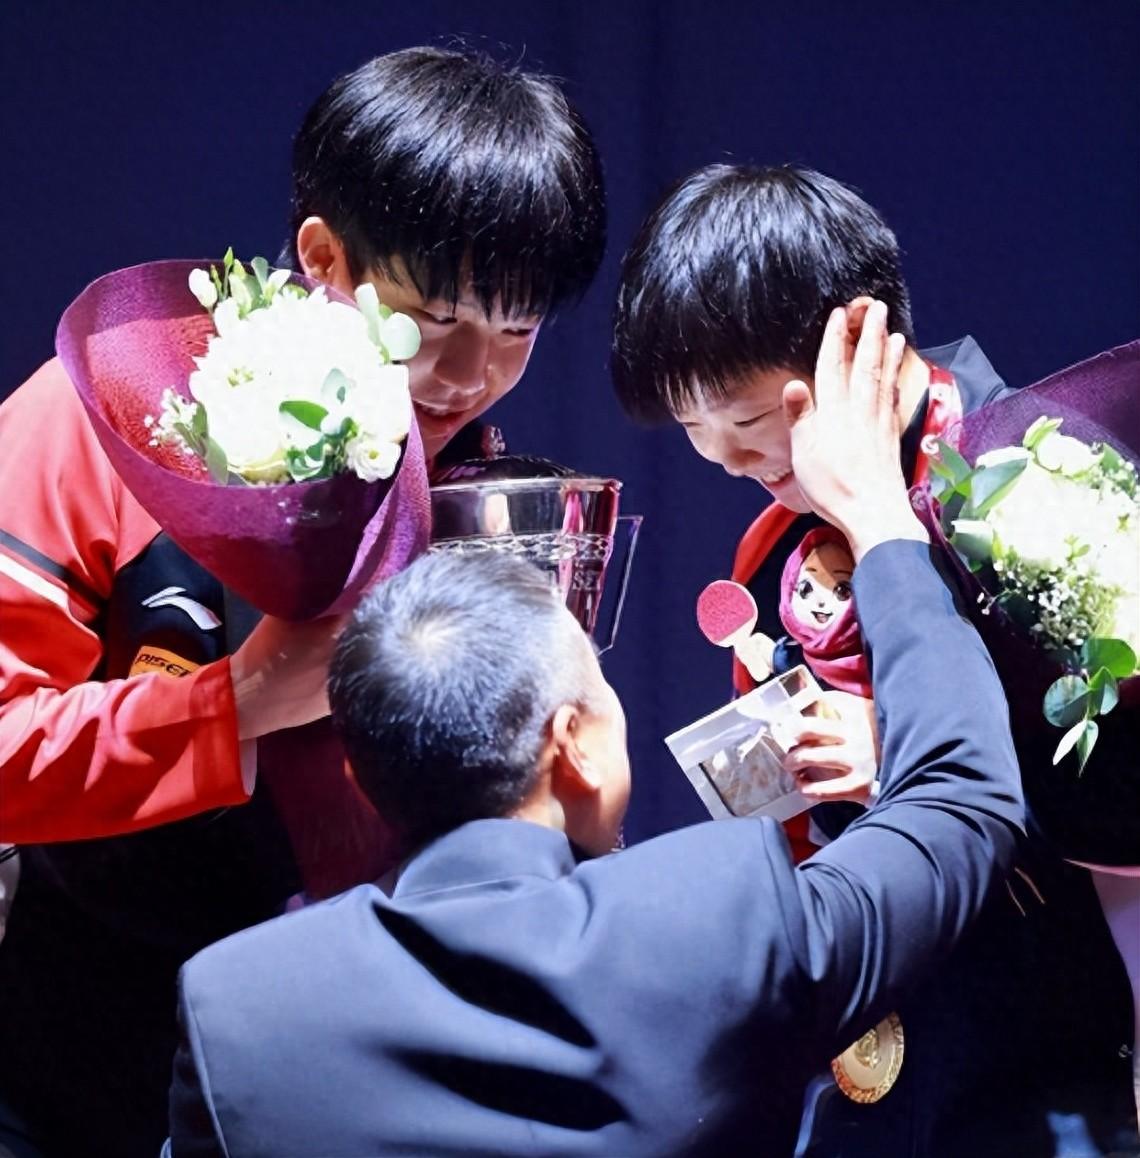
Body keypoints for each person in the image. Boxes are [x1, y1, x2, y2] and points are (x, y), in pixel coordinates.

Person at [167, 303, 1024, 1157]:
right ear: (573, 741)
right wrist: (879, 521)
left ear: (361, 773)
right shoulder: (719, 920)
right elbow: (959, 806)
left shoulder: (237, 1010)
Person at [0, 46, 605, 1158]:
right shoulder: (105, 419)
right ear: (324, 257)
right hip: (77, 1068)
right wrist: (235, 703)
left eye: (516, 331)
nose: (469, 376)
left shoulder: (485, 485)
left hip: (347, 1078)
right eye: (431, 319)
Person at [611, 163, 1138, 1155]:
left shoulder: (1037, 485)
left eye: (745, 420)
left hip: (1056, 1067)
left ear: (858, 341)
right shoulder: (776, 541)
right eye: (692, 429)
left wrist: (910, 752)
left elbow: (1127, 794)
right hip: (879, 1050)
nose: (724, 458)